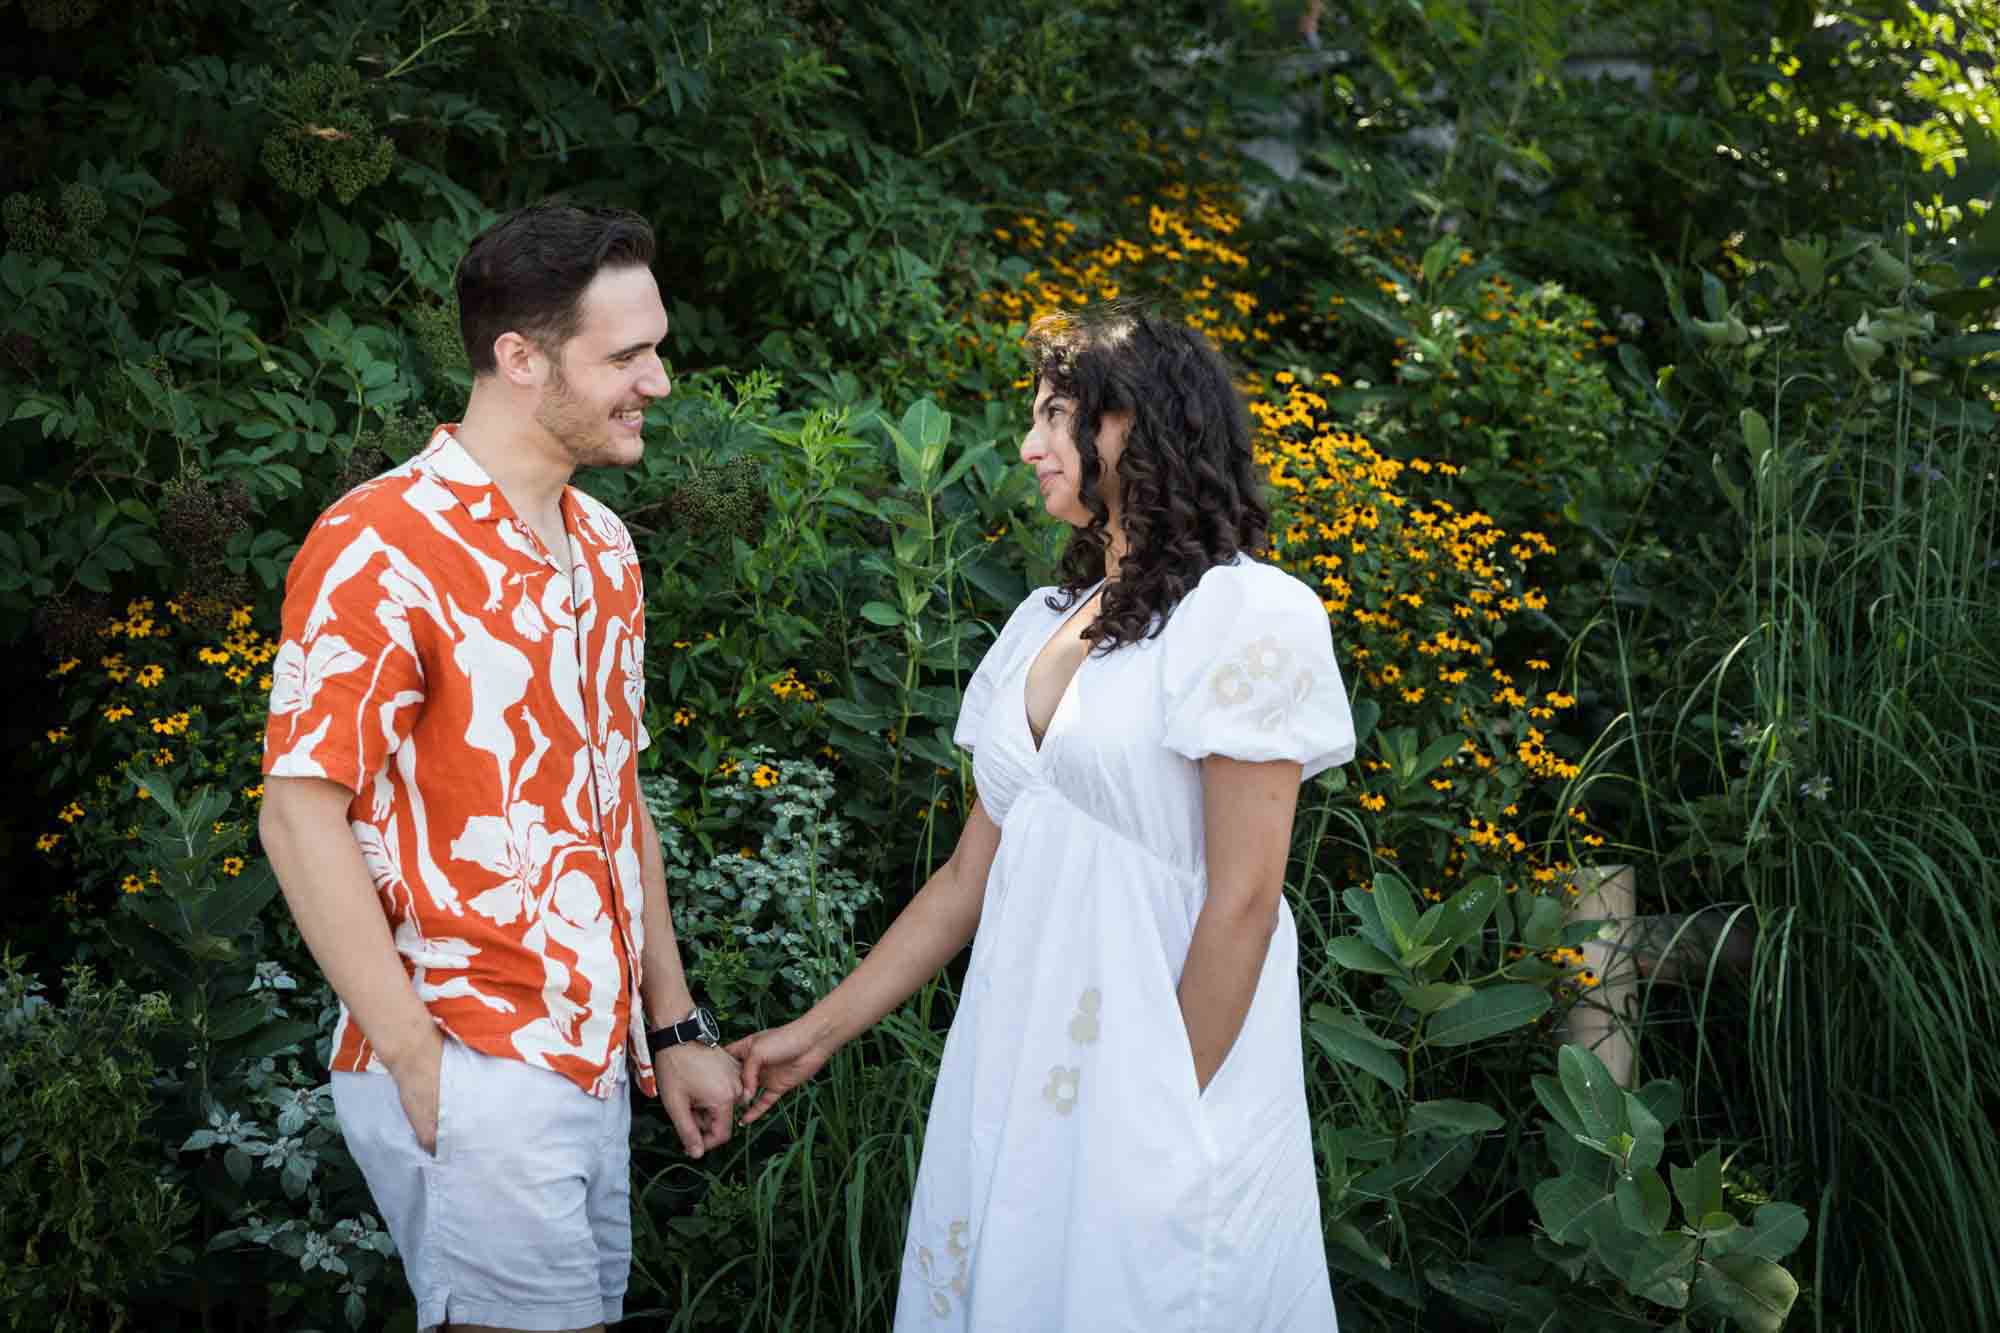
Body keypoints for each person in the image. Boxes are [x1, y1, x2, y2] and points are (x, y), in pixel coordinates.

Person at [730, 307, 1356, 1329]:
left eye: (1053, 415)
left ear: (1130, 428)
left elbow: (1243, 899)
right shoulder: (1036, 623)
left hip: (1159, 1069)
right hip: (1018, 1054)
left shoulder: (1245, 613)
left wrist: (1161, 1104)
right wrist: (816, 1035)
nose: (1027, 445)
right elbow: (962, 884)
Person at [258, 201, 741, 1333]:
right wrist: (423, 1061)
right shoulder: (378, 543)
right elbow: (297, 817)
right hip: (469, 1050)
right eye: (625, 355)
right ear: (520, 358)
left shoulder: (607, 550)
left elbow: (615, 801)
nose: (657, 380)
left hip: (587, 1062)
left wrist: (668, 1031)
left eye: (654, 346)